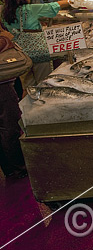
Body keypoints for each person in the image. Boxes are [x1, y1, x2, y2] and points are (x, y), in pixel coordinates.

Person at [2, 0, 71, 87]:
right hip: (39, 52)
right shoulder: (30, 9)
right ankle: (44, 99)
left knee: (28, 84)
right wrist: (74, 0)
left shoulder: (5, 12)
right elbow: (55, 5)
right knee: (44, 81)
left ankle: (30, 100)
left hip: (21, 54)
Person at [0, 24, 27, 179]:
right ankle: (18, 167)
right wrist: (6, 38)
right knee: (9, 125)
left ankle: (9, 167)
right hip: (2, 84)